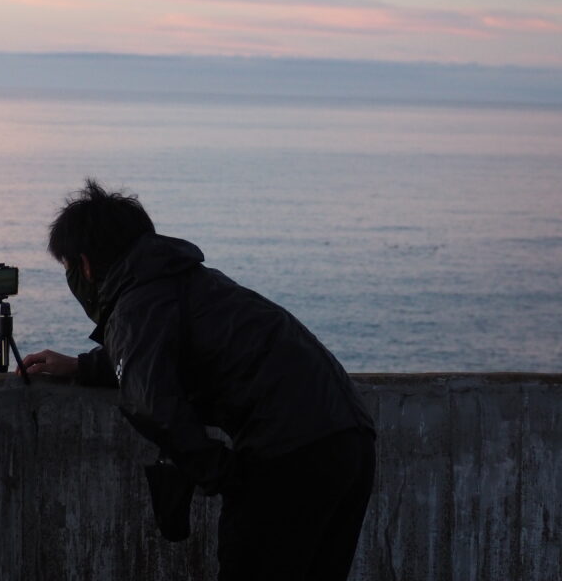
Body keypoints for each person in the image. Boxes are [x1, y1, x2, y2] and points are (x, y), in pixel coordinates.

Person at [22, 180, 375, 581]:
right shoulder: (187, 281)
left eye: (68, 268)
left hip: (290, 455)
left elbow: (149, 401)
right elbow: (160, 353)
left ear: (84, 264)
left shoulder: (136, 301)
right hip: (350, 439)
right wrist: (84, 367)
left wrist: (223, 475)